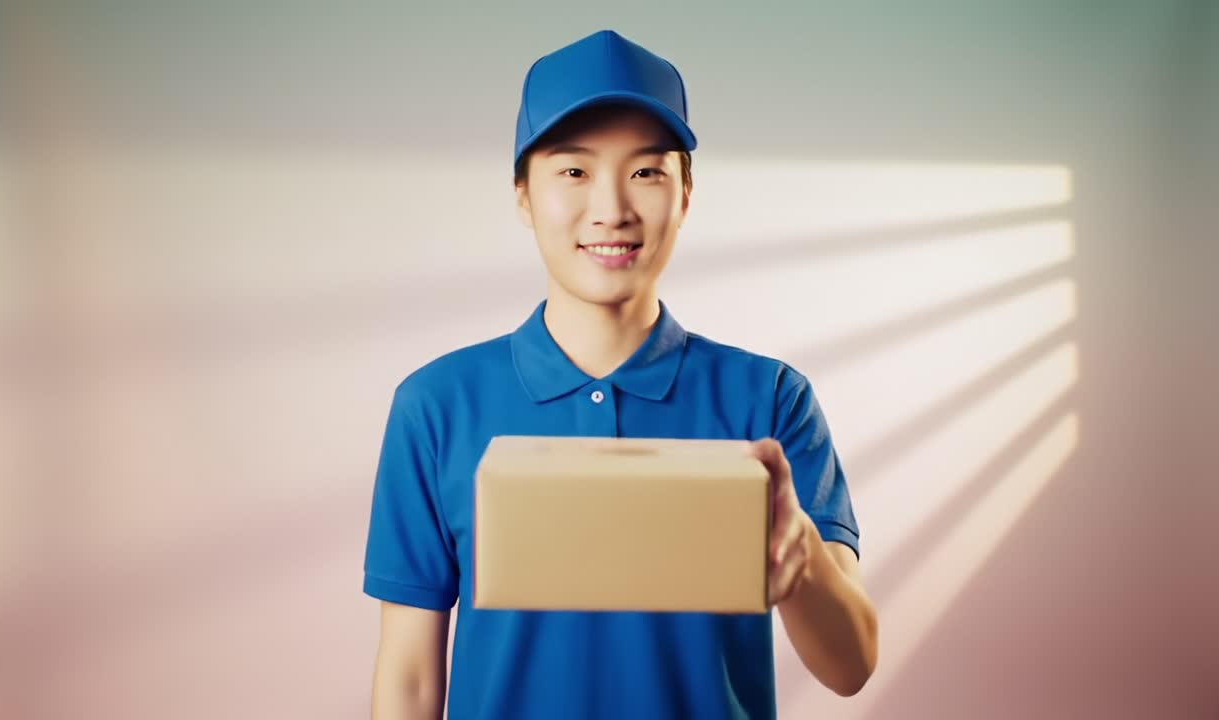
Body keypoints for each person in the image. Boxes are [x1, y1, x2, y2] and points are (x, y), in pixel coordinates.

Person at [364, 29, 879, 720]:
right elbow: (409, 680)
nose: (611, 209)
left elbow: (851, 666)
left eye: (645, 172)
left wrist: (802, 558)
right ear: (523, 195)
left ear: (686, 194)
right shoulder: (436, 406)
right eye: (574, 172)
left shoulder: (770, 399)